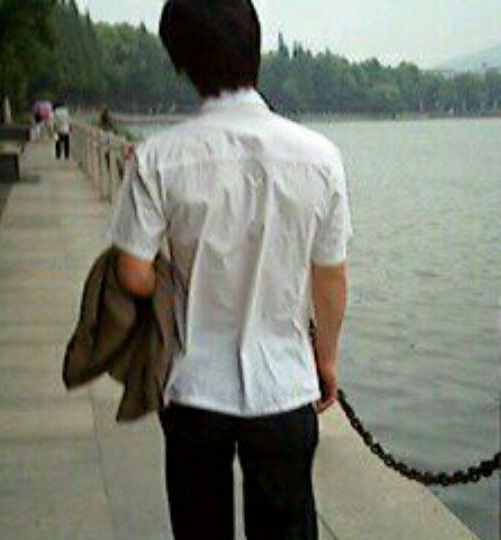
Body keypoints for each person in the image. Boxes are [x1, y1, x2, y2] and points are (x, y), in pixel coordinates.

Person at [107, 1, 352, 538]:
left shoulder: (157, 158)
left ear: (182, 62)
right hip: (283, 382)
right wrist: (326, 358)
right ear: (254, 49)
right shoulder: (319, 156)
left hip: (194, 384)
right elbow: (330, 277)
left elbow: (132, 273)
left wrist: (171, 280)